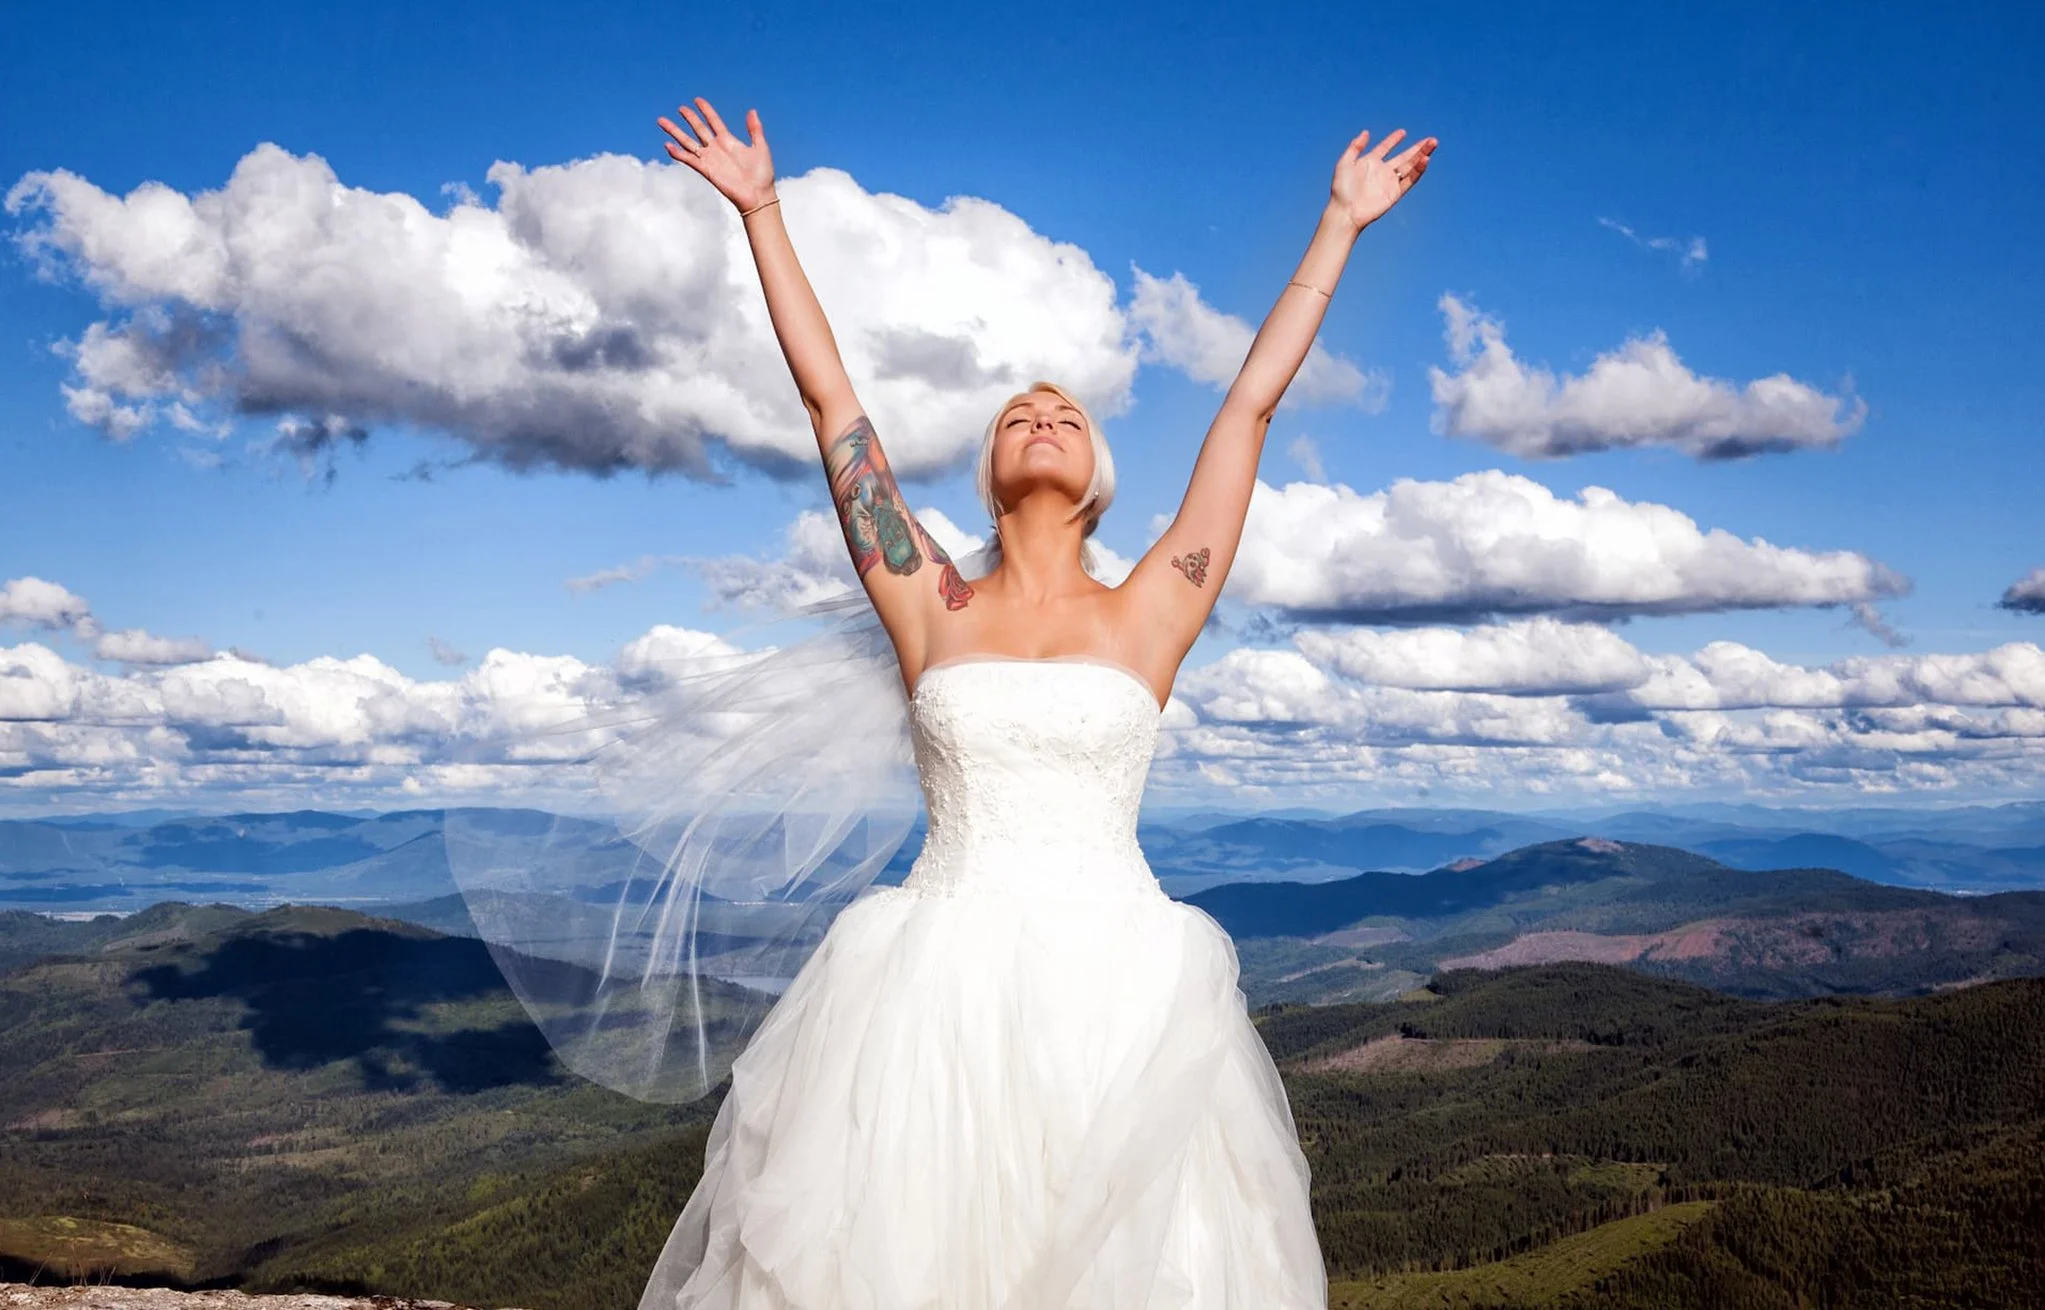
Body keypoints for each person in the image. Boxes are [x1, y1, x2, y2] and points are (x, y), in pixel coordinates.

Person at [629, 95, 1434, 1310]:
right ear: (994, 471)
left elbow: (1248, 409)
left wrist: (1338, 224)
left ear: (1098, 478)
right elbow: (832, 407)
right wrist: (762, 213)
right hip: (929, 992)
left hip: (1123, 993)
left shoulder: (1154, 607)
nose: (1043, 413)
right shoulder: (927, 604)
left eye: (1067, 412)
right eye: (1018, 413)